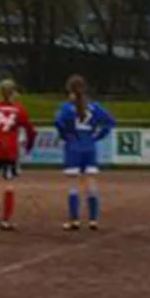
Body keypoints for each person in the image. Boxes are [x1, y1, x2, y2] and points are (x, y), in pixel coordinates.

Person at [55, 74, 115, 231]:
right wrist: (97, 136)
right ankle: (93, 220)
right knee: (91, 183)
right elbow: (110, 122)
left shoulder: (66, 107)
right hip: (89, 146)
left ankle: (74, 220)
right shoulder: (94, 106)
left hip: (73, 148)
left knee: (73, 185)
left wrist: (66, 136)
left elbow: (58, 123)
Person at [0, 78, 36, 230]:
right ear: (14, 93)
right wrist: (29, 146)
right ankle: (5, 219)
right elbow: (31, 130)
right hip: (10, 148)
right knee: (9, 183)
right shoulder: (19, 109)